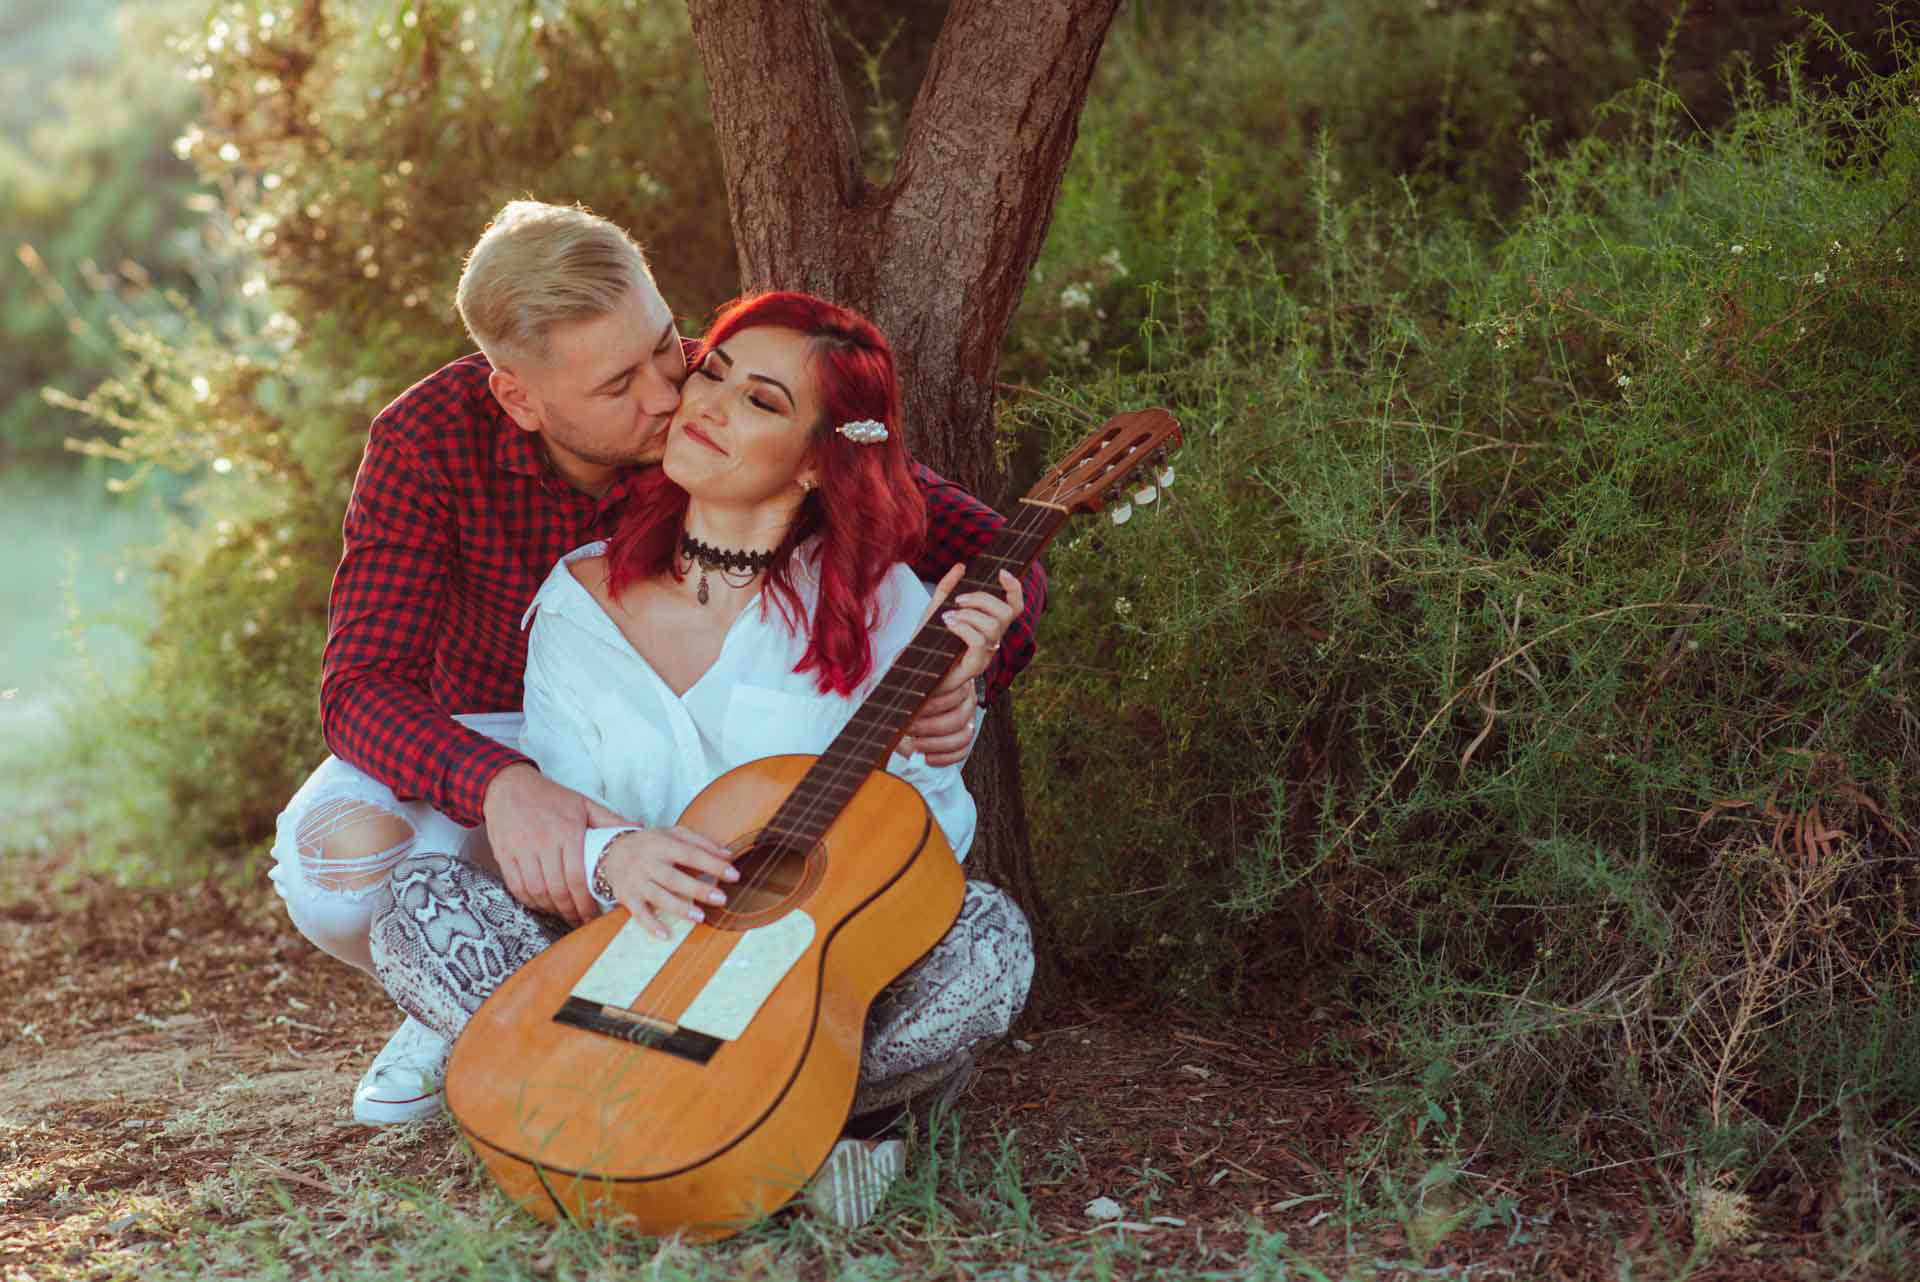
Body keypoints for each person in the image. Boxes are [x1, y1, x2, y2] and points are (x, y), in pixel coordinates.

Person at [266, 201, 1046, 1127]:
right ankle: (495, 1014)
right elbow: (361, 687)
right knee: (342, 868)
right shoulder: (427, 443)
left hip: (747, 730)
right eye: (617, 387)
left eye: (670, 348)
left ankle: (784, 1072)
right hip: (492, 726)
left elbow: (997, 553)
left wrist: (961, 680)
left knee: (976, 938)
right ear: (520, 397)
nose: (670, 395)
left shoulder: (722, 405)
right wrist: (505, 789)